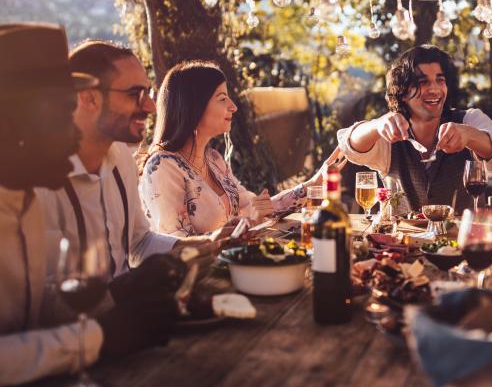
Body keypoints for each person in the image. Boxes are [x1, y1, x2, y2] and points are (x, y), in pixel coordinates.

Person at [0, 23, 185, 384]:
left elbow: (31, 309)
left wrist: (116, 292)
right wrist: (99, 338)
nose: (74, 136)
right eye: (59, 117)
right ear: (11, 126)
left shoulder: (23, 201)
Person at [34, 41, 214, 278]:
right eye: (135, 94)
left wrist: (207, 244)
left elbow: (139, 243)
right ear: (88, 99)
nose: (150, 107)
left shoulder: (121, 159)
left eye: (148, 93)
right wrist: (123, 294)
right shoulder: (39, 184)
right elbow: (41, 296)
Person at [139, 60, 344, 236]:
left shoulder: (213, 160)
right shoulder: (162, 168)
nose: (233, 106)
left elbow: (259, 208)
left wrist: (314, 183)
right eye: (222, 98)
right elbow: (178, 247)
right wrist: (247, 223)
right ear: (194, 107)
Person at [336, 44, 492, 212]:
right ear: (403, 92)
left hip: (463, 242)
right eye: (422, 82)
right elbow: (349, 145)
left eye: (440, 80)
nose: (434, 89)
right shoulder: (389, 133)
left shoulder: (470, 120)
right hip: (402, 242)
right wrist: (376, 125)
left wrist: (469, 135)